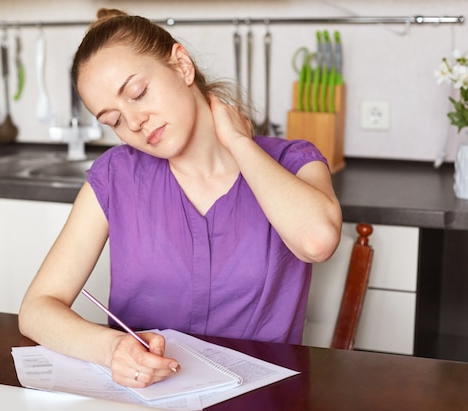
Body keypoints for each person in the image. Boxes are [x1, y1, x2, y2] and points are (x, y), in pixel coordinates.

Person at [19, 8, 342, 389]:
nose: (134, 122)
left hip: (259, 403)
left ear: (182, 65)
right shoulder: (116, 176)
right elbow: (36, 310)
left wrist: (239, 142)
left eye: (138, 93)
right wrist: (112, 349)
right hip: (147, 401)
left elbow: (317, 242)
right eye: (114, 121)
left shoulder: (292, 161)